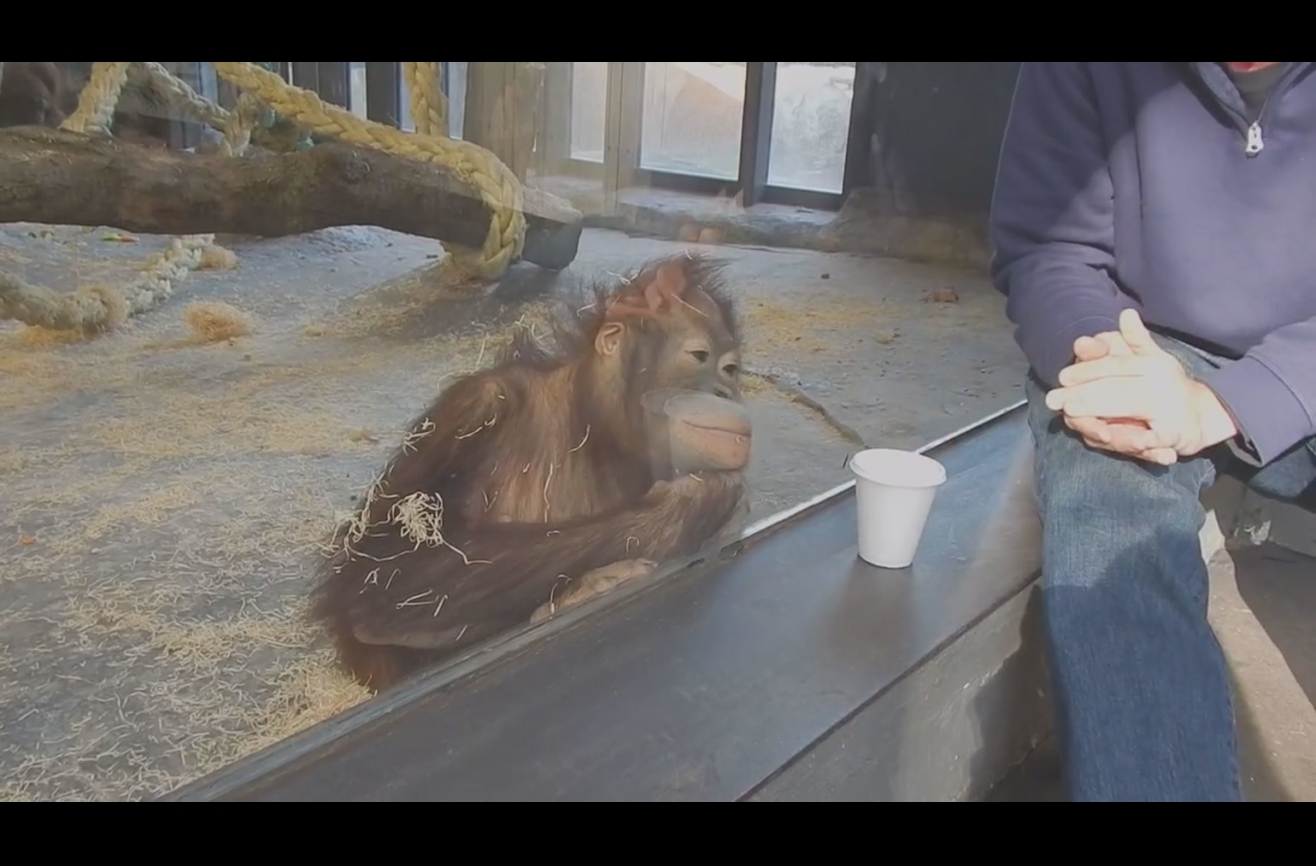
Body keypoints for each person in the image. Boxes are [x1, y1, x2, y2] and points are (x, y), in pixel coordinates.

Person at [989, 62, 1316, 802]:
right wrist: (1110, 366)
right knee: (1106, 489)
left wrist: (1231, 405)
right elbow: (1050, 246)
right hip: (1148, 344)